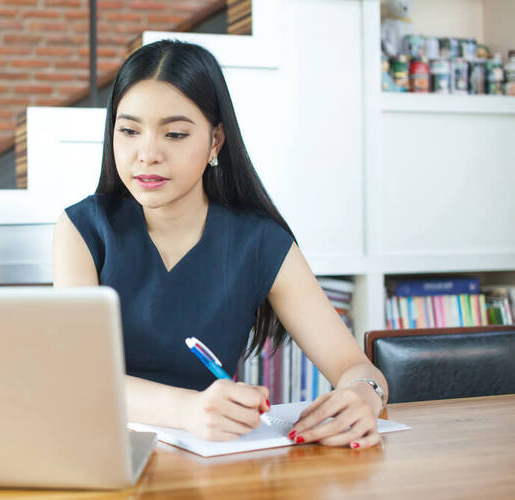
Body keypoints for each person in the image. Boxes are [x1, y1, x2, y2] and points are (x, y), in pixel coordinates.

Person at [52, 39, 389, 449]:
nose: (147, 154)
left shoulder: (260, 241)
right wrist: (188, 410)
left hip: (213, 464)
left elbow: (352, 365)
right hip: (99, 452)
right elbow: (80, 376)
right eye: (128, 131)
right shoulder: (84, 228)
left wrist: (362, 395)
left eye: (174, 133)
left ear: (215, 141)